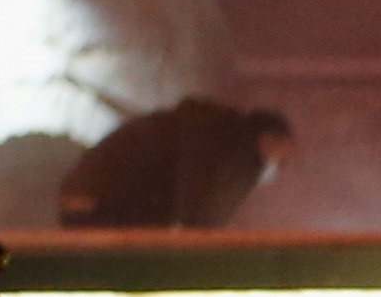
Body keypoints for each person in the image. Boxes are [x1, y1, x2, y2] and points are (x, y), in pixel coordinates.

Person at [57, 98, 290, 229]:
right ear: (268, 139)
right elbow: (206, 209)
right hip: (108, 210)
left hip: (86, 201)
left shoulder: (203, 127)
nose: (280, 165)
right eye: (282, 154)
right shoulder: (238, 153)